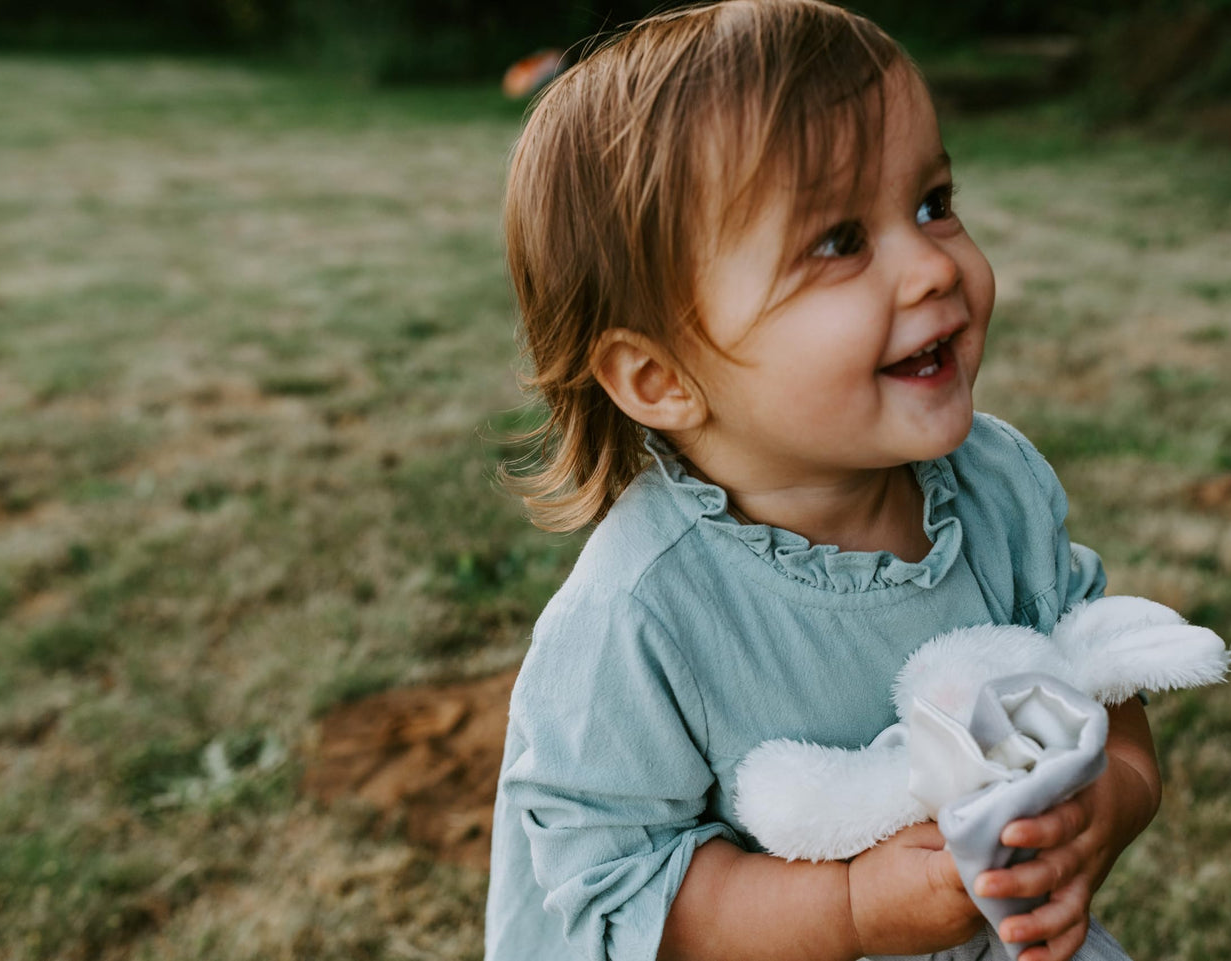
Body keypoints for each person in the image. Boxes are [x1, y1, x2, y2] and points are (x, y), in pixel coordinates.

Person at [485, 2, 1162, 960]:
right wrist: (850, 909)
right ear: (661, 378)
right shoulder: (640, 614)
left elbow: (1097, 671)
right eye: (840, 241)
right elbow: (616, 892)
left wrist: (1109, 798)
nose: (931, 264)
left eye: (932, 203)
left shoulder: (998, 483)